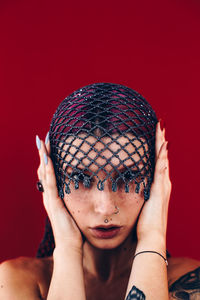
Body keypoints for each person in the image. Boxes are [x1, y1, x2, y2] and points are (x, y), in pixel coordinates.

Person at [0, 83, 199, 300]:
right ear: (53, 182)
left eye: (128, 177)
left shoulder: (190, 282)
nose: (105, 208)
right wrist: (67, 250)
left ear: (154, 178)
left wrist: (152, 238)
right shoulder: (16, 282)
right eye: (79, 178)